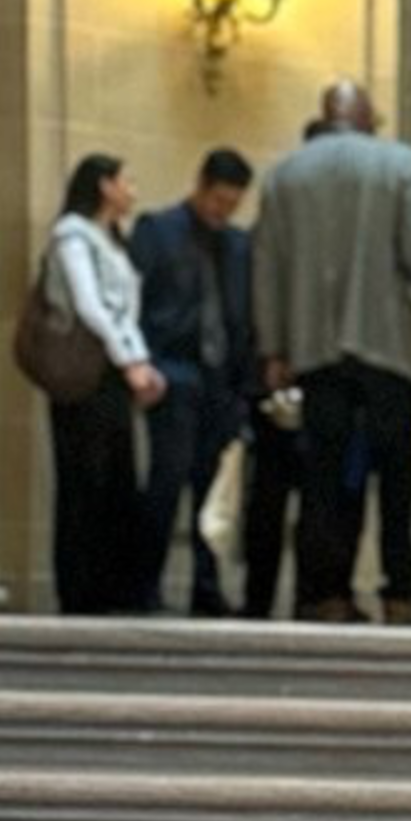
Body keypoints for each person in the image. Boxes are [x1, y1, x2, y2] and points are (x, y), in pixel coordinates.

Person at [248, 79, 411, 623]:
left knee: (322, 480)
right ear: (364, 117)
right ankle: (398, 594)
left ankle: (324, 593)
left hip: (313, 348)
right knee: (396, 479)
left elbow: (268, 269)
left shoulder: (285, 174)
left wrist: (274, 347)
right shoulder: (400, 164)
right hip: (386, 345)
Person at [124, 145, 257, 615]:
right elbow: (131, 302)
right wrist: (142, 362)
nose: (223, 213)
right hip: (173, 372)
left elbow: (246, 315)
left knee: (213, 491)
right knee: (166, 481)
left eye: (233, 205)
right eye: (218, 201)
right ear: (200, 187)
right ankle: (145, 584)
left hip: (222, 381)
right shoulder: (157, 231)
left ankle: (207, 587)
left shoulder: (240, 246)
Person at [41, 151, 166, 614]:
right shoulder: (72, 236)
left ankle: (113, 586)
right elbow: (90, 306)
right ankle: (80, 589)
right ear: (104, 186)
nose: (132, 190)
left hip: (112, 371)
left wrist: (139, 361)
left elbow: (121, 311)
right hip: (85, 373)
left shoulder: (110, 240)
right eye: (126, 181)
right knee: (83, 480)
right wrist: (128, 359)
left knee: (117, 479)